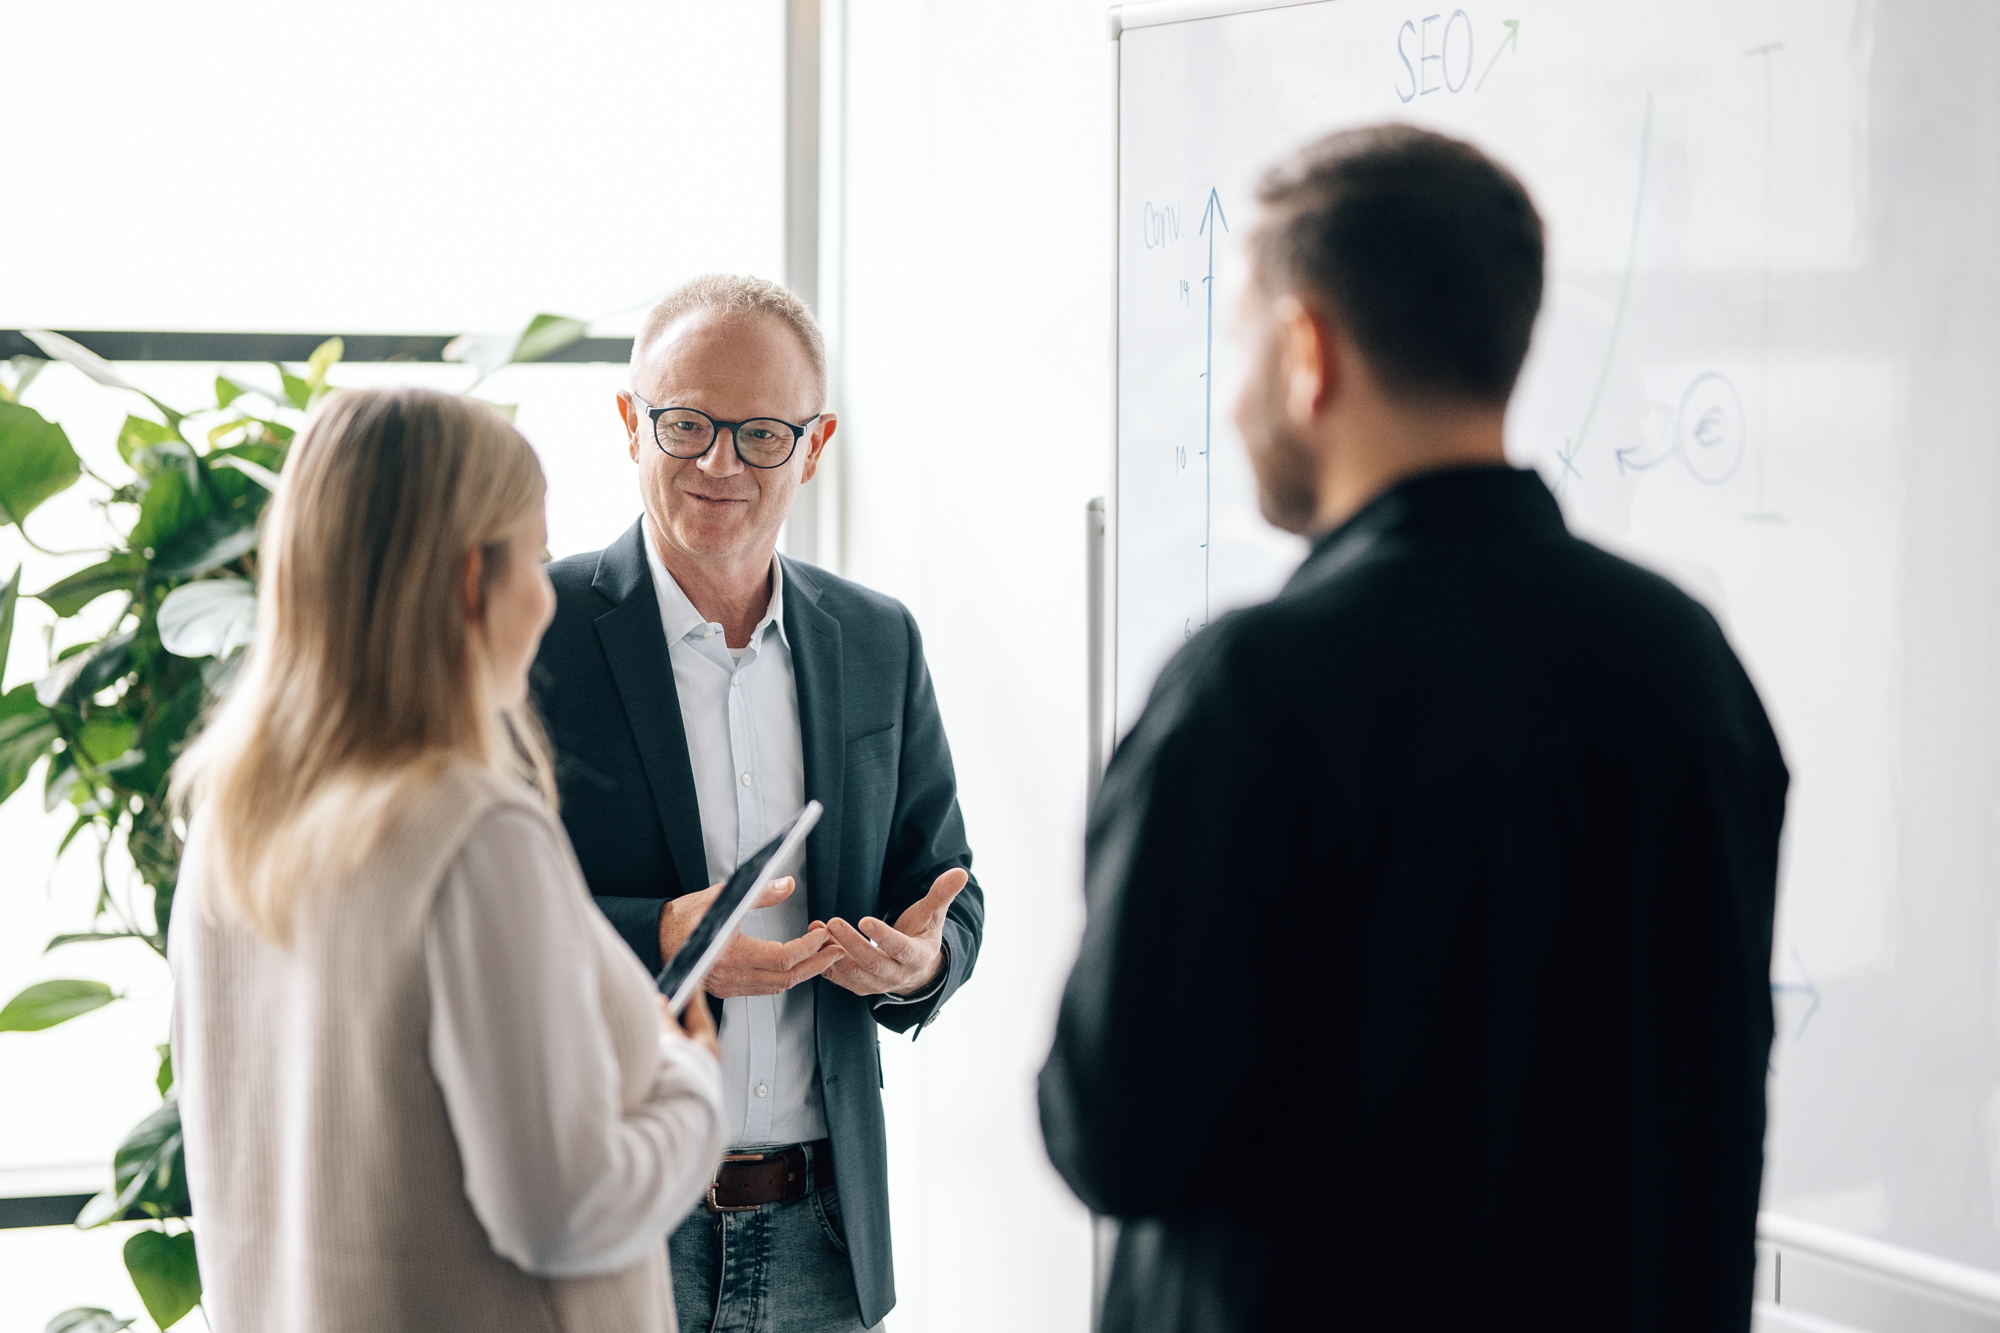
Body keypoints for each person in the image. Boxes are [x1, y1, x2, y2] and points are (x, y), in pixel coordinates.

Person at [1039, 126, 1788, 1332]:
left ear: (1304, 354)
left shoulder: (1255, 690)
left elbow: (1117, 1135)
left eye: (1235, 342)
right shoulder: (1686, 666)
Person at [169, 388, 729, 1333]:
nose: (547, 596)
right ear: (474, 579)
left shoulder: (231, 818)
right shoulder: (476, 833)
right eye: (536, 555)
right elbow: (565, 1210)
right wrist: (694, 1088)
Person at [531, 274, 985, 1332]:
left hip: (824, 1236)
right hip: (614, 1223)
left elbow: (948, 892)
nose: (718, 464)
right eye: (684, 424)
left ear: (814, 445)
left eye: (761, 435)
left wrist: (920, 963)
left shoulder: (876, 639)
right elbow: (458, 914)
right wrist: (659, 939)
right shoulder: (529, 629)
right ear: (627, 424)